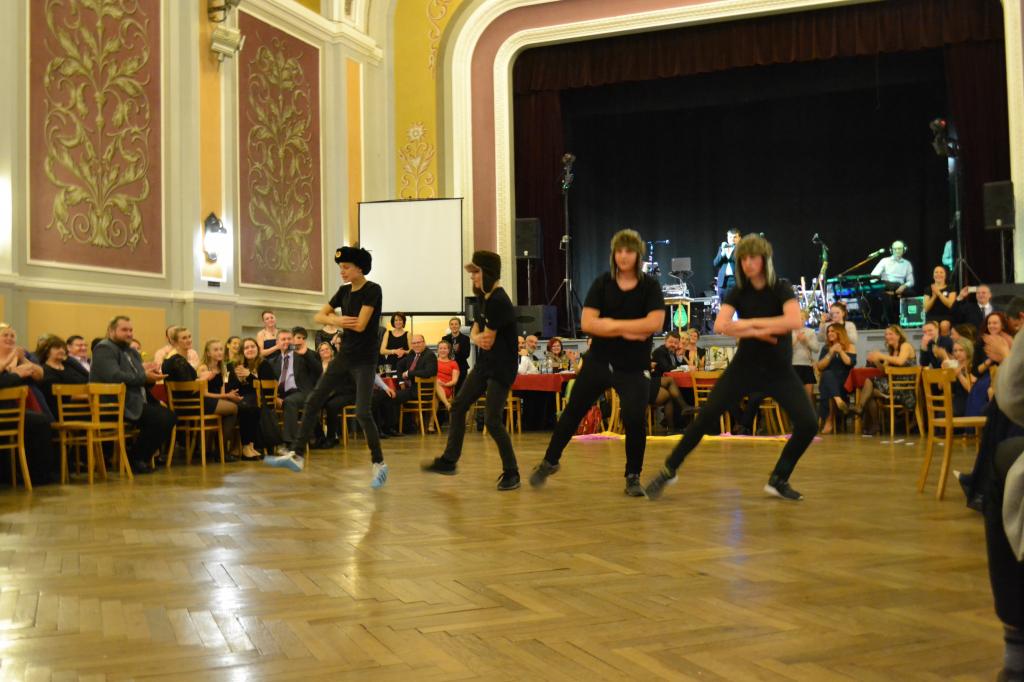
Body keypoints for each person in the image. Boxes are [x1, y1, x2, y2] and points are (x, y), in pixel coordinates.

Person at [643, 234, 817, 502]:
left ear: (764, 259)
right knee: (705, 417)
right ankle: (668, 469)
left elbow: (793, 320)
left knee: (808, 424)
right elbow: (721, 325)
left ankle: (779, 477)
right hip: (744, 368)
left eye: (753, 258)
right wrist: (760, 329)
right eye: (743, 259)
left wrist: (749, 325)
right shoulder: (738, 292)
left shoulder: (780, 288)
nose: (748, 263)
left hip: (779, 371)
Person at [529, 229, 665, 496]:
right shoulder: (603, 283)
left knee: (634, 419)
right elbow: (588, 323)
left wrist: (610, 325)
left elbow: (655, 323)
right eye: (619, 251)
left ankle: (633, 476)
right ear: (613, 254)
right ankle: (550, 461)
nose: (623, 256)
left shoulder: (650, 286)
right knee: (573, 411)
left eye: (629, 251)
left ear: (638, 255)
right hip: (599, 361)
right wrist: (629, 328)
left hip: (634, 366)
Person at [269, 247, 388, 487]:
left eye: (346, 267)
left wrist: (334, 320)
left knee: (363, 412)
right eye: (340, 268)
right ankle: (297, 455)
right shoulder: (344, 292)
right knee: (314, 400)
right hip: (344, 356)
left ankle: (379, 464)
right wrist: (337, 319)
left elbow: (360, 325)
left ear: (359, 268)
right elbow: (319, 316)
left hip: (365, 359)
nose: (342, 272)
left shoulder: (373, 290)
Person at [422, 250, 522, 490]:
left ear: (488, 273)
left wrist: (477, 337)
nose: (472, 277)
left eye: (476, 272)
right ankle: (449, 460)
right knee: (458, 406)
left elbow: (485, 340)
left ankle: (512, 472)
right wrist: (477, 336)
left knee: (492, 420)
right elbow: (477, 331)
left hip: (502, 369)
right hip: (485, 365)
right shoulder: (484, 299)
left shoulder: (498, 301)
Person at [90, 316, 175, 474]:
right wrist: (145, 377)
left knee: (168, 416)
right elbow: (114, 376)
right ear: (111, 331)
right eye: (124, 330)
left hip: (133, 401)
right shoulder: (104, 349)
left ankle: (136, 457)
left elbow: (140, 377)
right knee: (162, 418)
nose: (129, 333)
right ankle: (136, 459)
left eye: (131, 330)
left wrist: (151, 376)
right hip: (114, 404)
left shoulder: (131, 351)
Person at [163, 332, 240, 459]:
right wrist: (226, 396)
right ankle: (219, 450)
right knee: (233, 408)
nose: (219, 352)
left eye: (221, 349)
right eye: (216, 350)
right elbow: (203, 392)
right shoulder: (203, 368)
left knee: (236, 405)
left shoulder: (224, 368)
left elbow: (223, 388)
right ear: (208, 353)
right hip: (203, 399)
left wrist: (227, 395)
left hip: (213, 399)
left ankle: (221, 449)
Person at [845, 325, 914, 434]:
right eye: (886, 334)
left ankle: (861, 409)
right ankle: (874, 422)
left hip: (905, 387)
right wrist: (876, 360)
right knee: (868, 391)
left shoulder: (905, 346)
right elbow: (883, 371)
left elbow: (900, 361)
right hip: (893, 384)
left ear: (899, 335)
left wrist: (881, 356)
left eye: (890, 334)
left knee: (869, 384)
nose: (887, 336)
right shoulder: (892, 352)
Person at [815, 323, 857, 435]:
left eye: (832, 331)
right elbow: (820, 366)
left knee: (828, 387)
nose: (830, 333)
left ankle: (829, 422)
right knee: (827, 374)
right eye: (828, 331)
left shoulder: (850, 346)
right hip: (828, 381)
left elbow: (849, 363)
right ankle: (838, 401)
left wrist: (840, 351)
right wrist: (831, 352)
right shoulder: (826, 348)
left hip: (844, 383)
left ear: (840, 332)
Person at [232, 338, 268, 459]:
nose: (250, 349)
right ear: (242, 351)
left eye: (253, 346)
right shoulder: (235, 365)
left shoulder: (264, 364)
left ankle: (249, 446)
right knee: (247, 406)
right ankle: (246, 446)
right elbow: (232, 386)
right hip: (239, 398)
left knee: (251, 406)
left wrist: (250, 376)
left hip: (260, 398)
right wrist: (237, 378)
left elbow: (266, 386)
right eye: (246, 348)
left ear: (258, 349)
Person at [36, 335, 87, 416]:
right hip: (63, 410)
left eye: (63, 348)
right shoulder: (45, 370)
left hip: (83, 404)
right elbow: (61, 396)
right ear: (47, 352)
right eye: (57, 348)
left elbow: (86, 378)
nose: (61, 350)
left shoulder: (69, 365)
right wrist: (88, 396)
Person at [870, 240, 915, 325]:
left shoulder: (907, 264)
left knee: (911, 292)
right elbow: (873, 277)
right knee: (885, 289)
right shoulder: (884, 261)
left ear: (904, 250)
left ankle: (906, 321)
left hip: (900, 287)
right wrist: (876, 281)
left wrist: (903, 286)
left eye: (899, 249)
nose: (897, 251)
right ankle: (890, 323)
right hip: (887, 285)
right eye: (895, 249)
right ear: (891, 250)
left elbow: (911, 281)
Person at [792, 321, 820, 409]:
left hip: (807, 365)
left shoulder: (810, 331)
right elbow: (784, 350)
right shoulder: (788, 332)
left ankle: (810, 416)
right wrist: (796, 340)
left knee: (808, 396)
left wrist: (806, 341)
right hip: (792, 366)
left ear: (805, 319)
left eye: (802, 318)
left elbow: (816, 349)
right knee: (794, 396)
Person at [441, 317, 470, 393]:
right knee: (447, 389)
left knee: (459, 390)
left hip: (461, 367)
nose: (454, 326)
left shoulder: (465, 338)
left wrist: (457, 351)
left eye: (456, 324)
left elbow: (467, 354)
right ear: (450, 326)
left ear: (459, 326)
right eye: (452, 324)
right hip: (447, 367)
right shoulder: (445, 338)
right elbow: (442, 353)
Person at [713, 228, 741, 298]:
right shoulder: (722, 248)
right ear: (727, 238)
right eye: (730, 237)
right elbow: (715, 263)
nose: (732, 239)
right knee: (723, 303)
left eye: (735, 237)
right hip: (723, 282)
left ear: (739, 238)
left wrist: (730, 254)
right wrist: (722, 254)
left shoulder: (743, 249)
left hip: (736, 281)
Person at [434, 339, 460, 412]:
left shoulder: (453, 363)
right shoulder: (433, 362)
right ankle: (447, 404)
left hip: (446, 388)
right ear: (437, 350)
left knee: (434, 393)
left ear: (448, 350)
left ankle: (431, 420)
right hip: (433, 387)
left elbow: (454, 381)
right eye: (440, 348)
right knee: (435, 386)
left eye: (445, 348)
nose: (442, 350)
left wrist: (444, 384)